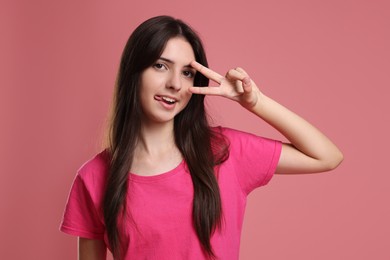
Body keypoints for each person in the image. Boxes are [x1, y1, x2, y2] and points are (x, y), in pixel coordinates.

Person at [60, 15, 343, 260]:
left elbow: (327, 156)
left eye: (186, 73)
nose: (174, 83)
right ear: (134, 73)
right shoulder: (94, 177)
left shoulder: (224, 151)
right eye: (160, 65)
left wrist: (255, 102)